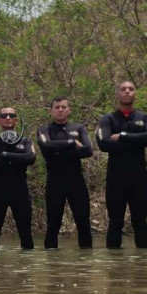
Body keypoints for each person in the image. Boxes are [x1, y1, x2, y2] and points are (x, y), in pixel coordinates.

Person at [96, 81, 147, 248]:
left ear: (135, 94)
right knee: (115, 222)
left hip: (138, 179)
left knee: (141, 222)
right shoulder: (107, 119)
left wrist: (123, 136)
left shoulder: (145, 118)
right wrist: (139, 139)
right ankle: (115, 270)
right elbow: (103, 144)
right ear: (117, 94)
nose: (127, 92)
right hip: (115, 179)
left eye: (131, 89)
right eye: (123, 89)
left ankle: (143, 267)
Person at [37, 97, 93, 249]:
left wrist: (58, 151)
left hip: (77, 182)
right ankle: (52, 266)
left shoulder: (79, 128)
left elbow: (88, 150)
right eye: (57, 107)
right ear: (51, 111)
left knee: (83, 224)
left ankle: (86, 263)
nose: (60, 110)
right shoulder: (44, 130)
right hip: (55, 183)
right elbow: (46, 146)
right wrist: (73, 144)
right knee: (53, 225)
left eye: (63, 107)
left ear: (69, 110)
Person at [0, 106, 36, 251]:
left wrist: (6, 156)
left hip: (20, 193)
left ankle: (25, 272)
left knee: (26, 237)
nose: (8, 118)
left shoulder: (26, 141)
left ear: (16, 120)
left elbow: (31, 158)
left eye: (11, 115)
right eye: (4, 116)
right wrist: (18, 160)